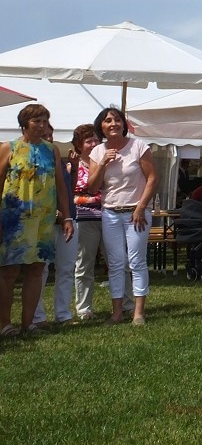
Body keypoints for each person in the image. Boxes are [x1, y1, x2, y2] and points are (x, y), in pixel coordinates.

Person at [0, 105, 73, 336]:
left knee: (36, 268)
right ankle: (4, 324)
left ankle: (28, 323)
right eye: (37, 121)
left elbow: (61, 186)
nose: (42, 126)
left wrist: (66, 215)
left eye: (45, 121)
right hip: (14, 218)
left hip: (43, 218)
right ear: (25, 123)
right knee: (9, 271)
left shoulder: (51, 150)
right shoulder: (8, 148)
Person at [87, 107, 157, 325]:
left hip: (137, 213)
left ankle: (138, 313)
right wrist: (102, 164)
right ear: (101, 126)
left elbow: (153, 179)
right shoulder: (97, 152)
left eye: (117, 120)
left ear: (123, 124)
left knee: (137, 261)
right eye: (108, 121)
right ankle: (117, 312)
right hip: (110, 213)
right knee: (116, 263)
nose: (113, 124)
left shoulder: (138, 146)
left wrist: (141, 206)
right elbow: (92, 187)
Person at [34, 122, 78, 327]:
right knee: (40, 270)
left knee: (67, 268)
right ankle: (38, 316)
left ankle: (63, 314)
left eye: (51, 135)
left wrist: (74, 168)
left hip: (68, 220)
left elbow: (68, 190)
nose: (49, 139)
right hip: (45, 223)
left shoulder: (60, 162)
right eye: (44, 136)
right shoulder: (34, 162)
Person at [70, 123, 103, 320]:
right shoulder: (72, 166)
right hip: (84, 220)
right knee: (84, 264)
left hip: (108, 217)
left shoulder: (106, 163)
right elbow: (71, 193)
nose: (93, 144)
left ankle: (126, 303)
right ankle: (84, 309)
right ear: (79, 145)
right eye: (88, 141)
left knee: (117, 262)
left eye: (96, 140)